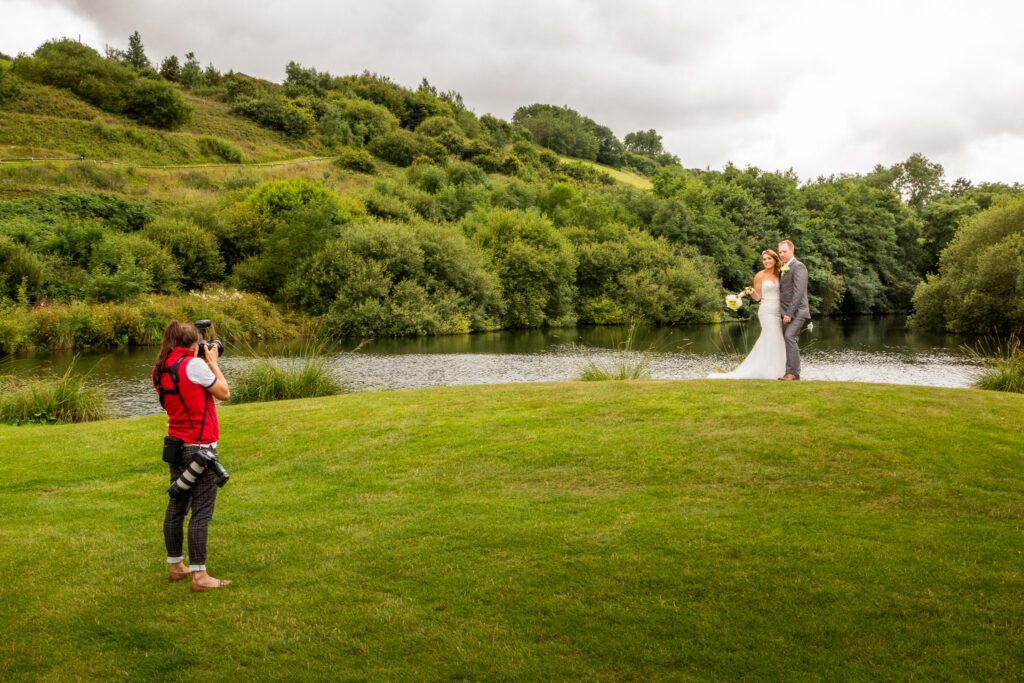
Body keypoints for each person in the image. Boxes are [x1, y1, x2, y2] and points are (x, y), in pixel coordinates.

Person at [152, 320, 232, 592]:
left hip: (176, 445)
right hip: (200, 448)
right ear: (194, 344)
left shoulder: (159, 370)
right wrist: (212, 362)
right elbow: (224, 393)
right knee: (201, 512)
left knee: (177, 506)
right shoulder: (194, 365)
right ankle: (200, 576)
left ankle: (177, 567)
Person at [708, 249, 786, 380]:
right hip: (766, 311)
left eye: (769, 259)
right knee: (772, 336)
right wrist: (751, 292)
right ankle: (769, 372)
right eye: (764, 259)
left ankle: (780, 370)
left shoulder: (782, 273)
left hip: (779, 311)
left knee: (778, 338)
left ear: (775, 259)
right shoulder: (759, 276)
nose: (766, 261)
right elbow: (758, 297)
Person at [777, 240, 811, 380]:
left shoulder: (799, 266)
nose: (782, 254)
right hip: (785, 312)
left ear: (792, 251)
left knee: (790, 337)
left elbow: (798, 292)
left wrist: (789, 314)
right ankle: (791, 373)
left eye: (784, 251)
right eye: (780, 252)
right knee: (789, 339)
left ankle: (793, 373)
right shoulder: (784, 268)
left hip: (798, 311)